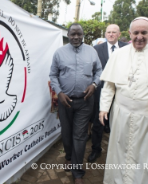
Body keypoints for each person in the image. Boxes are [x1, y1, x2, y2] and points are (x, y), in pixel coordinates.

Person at [99, 17, 148, 183]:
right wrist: (104, 108)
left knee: (146, 157)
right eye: (136, 32)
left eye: (144, 32)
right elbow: (109, 86)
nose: (140, 36)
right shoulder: (118, 54)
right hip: (122, 115)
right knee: (120, 153)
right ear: (129, 33)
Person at [49, 23, 102, 184]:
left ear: (83, 34)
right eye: (73, 34)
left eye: (79, 34)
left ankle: (77, 172)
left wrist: (94, 85)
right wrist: (59, 93)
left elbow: (99, 71)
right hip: (66, 102)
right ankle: (69, 157)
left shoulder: (92, 51)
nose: (76, 37)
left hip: (85, 102)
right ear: (69, 35)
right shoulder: (59, 53)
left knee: (80, 135)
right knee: (66, 132)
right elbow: (53, 74)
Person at [88, 24, 128, 163]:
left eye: (114, 32)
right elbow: (92, 68)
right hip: (101, 90)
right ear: (105, 34)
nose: (111, 34)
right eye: (108, 32)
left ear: (119, 34)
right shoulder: (96, 49)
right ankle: (96, 149)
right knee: (99, 121)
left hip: (123, 90)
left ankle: (121, 152)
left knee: (120, 121)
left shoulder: (128, 48)